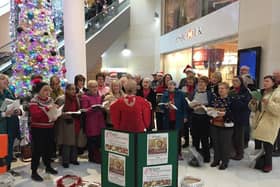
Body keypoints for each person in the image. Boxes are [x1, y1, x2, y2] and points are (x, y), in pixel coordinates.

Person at [249, 75, 280, 172]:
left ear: (273, 83)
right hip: (258, 121)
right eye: (264, 81)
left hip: (269, 122)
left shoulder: (277, 94)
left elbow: (278, 110)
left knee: (268, 144)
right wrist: (253, 102)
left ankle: (268, 164)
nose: (265, 83)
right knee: (257, 143)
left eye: (267, 81)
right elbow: (253, 109)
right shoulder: (261, 92)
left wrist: (268, 103)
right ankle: (257, 161)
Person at [29, 82, 58, 181]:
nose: (47, 92)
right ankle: (34, 171)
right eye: (45, 90)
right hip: (38, 129)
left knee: (48, 149)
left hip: (49, 128)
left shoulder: (51, 100)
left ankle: (48, 166)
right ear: (39, 91)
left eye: (48, 90)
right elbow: (35, 115)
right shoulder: (34, 101)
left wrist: (56, 113)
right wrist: (46, 108)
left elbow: (52, 113)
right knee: (37, 150)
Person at [160, 80, 187, 160]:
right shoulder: (165, 95)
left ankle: (178, 153)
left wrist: (185, 116)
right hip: (168, 119)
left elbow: (184, 106)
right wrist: (166, 106)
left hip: (178, 118)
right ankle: (169, 153)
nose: (170, 86)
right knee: (168, 137)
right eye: (169, 85)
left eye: (172, 85)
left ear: (175, 86)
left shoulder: (180, 94)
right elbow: (161, 106)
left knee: (177, 137)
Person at [0, 74, 21, 176]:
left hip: (11, 125)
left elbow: (14, 103)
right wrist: (4, 113)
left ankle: (7, 169)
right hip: (2, 126)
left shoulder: (8, 91)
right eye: (4, 80)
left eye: (7, 81)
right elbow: (2, 110)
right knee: (1, 150)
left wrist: (18, 110)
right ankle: (2, 171)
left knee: (9, 148)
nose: (7, 83)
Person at [209, 82, 233, 170]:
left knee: (225, 144)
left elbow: (234, 113)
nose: (220, 90)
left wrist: (225, 114)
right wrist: (210, 112)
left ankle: (225, 162)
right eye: (219, 88)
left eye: (223, 88)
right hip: (215, 124)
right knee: (216, 143)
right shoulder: (216, 99)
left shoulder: (231, 100)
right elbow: (211, 109)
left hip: (226, 125)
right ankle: (216, 160)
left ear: (227, 90)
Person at [81, 80, 105, 163]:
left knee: (99, 141)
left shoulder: (99, 96)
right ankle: (92, 158)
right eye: (92, 87)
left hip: (100, 121)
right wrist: (92, 108)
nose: (95, 88)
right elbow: (84, 110)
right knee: (92, 141)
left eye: (96, 86)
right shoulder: (85, 97)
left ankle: (98, 157)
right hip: (91, 122)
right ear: (88, 88)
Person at [56, 84, 80, 168]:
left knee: (74, 142)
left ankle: (74, 159)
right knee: (66, 143)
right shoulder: (61, 99)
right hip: (65, 123)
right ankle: (65, 161)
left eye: (74, 89)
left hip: (75, 121)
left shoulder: (76, 98)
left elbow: (78, 108)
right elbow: (57, 112)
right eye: (71, 89)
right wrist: (66, 115)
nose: (73, 91)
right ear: (66, 90)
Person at [189, 76, 212, 163]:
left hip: (205, 118)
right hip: (195, 117)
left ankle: (206, 157)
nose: (201, 84)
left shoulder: (209, 94)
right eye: (199, 82)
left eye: (203, 82)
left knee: (205, 139)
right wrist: (192, 106)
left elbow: (212, 105)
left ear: (206, 84)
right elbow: (188, 103)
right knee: (195, 138)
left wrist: (204, 107)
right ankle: (195, 157)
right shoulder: (193, 93)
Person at [229, 77, 251, 160]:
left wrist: (235, 100)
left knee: (239, 137)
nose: (234, 82)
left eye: (236, 81)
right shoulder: (231, 91)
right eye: (233, 81)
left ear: (241, 82)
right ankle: (233, 152)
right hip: (232, 116)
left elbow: (247, 105)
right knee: (232, 136)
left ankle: (240, 154)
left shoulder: (246, 92)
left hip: (241, 117)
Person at [272, 70, 280, 156]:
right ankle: (272, 148)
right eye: (274, 76)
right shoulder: (274, 86)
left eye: (276, 76)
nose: (274, 77)